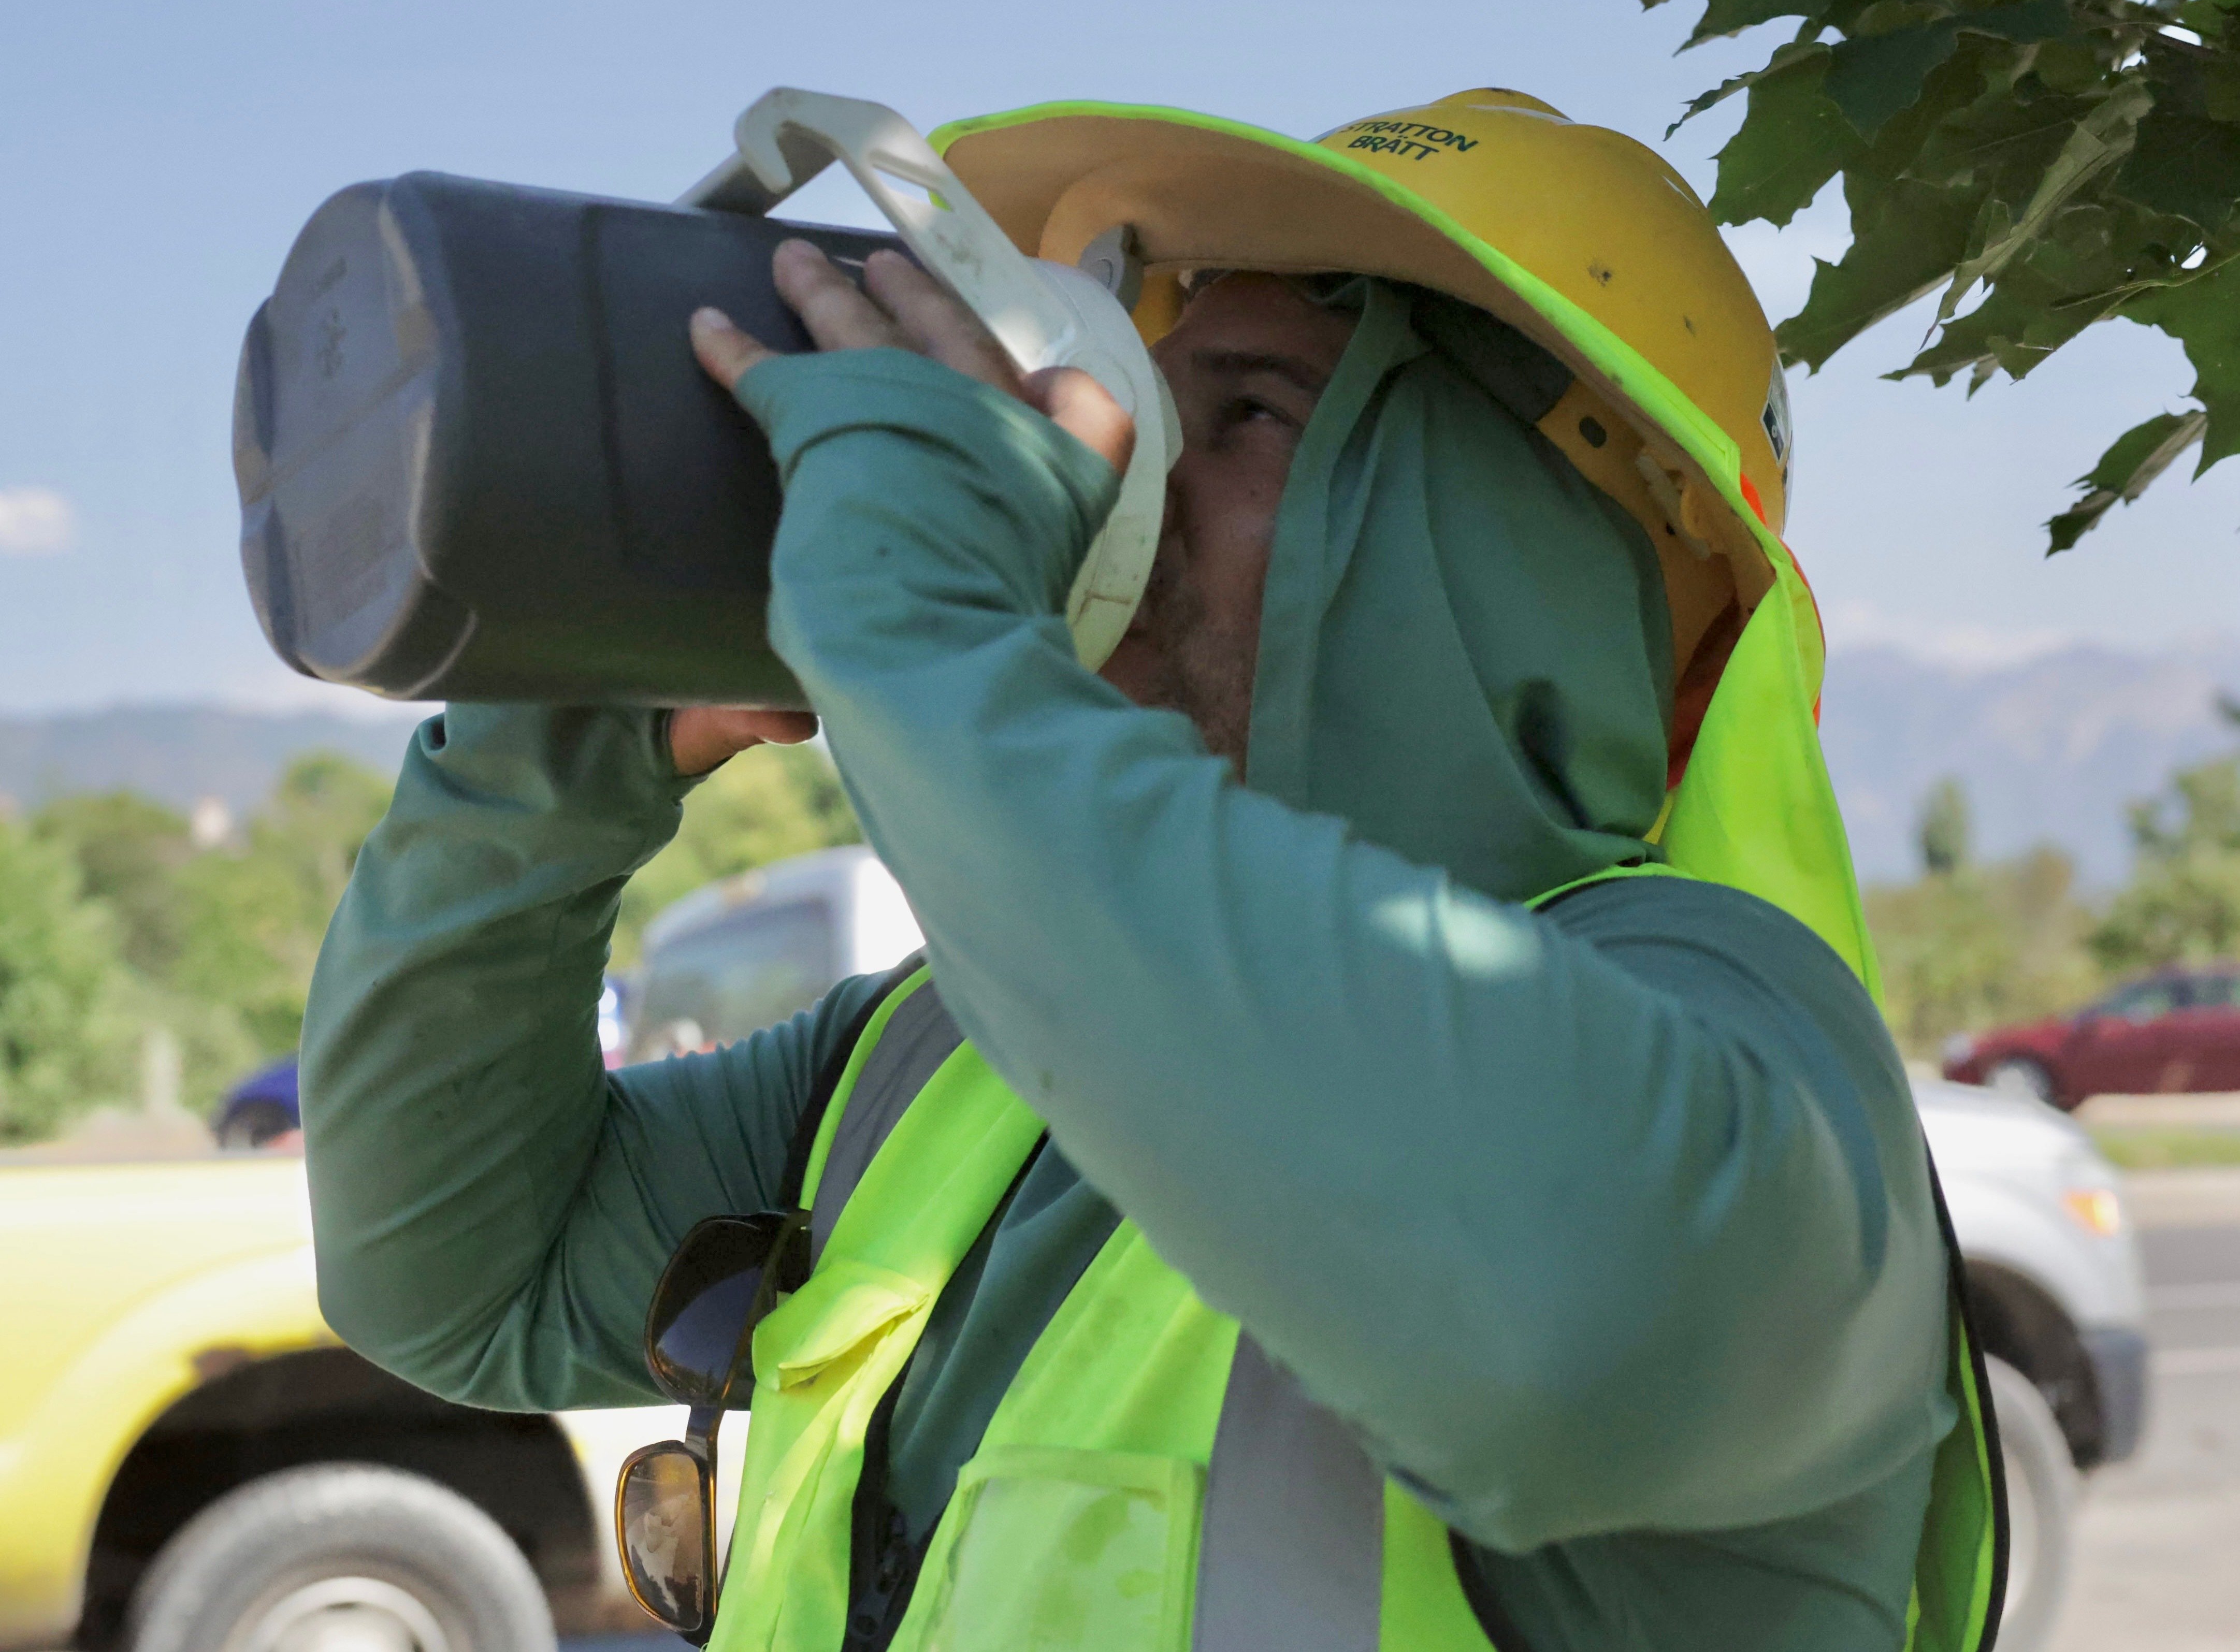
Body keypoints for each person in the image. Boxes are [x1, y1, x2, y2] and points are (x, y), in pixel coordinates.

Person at [301, 90, 2001, 1650]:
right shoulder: (934, 1066)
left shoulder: (1765, 1077)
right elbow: (458, 1273)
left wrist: (922, 629)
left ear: (1545, 556)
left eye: (1248, 414)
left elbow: (1546, 1319)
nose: (1119, 485)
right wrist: (572, 737)